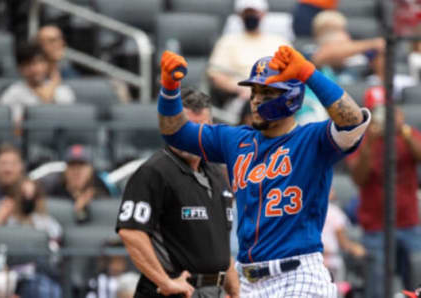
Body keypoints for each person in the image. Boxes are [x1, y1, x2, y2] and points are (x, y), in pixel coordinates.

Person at [157, 45, 371, 297]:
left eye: (268, 92)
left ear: (291, 97)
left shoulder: (313, 139)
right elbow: (175, 132)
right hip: (249, 281)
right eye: (254, 91)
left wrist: (307, 72)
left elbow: (353, 121)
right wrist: (169, 90)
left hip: (298, 275)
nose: (256, 99)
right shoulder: (235, 140)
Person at [116, 88, 240, 298]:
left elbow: (219, 247)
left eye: (198, 129)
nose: (190, 137)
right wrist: (164, 281)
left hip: (212, 291)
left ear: (210, 128)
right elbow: (131, 232)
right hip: (171, 291)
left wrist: (235, 291)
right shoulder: (154, 171)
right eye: (185, 128)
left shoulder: (217, 174)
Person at [346, 86, 421, 298]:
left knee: (415, 286)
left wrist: (402, 130)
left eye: (385, 111)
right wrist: (370, 139)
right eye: (376, 112)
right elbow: (358, 178)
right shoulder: (361, 141)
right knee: (376, 288)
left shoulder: (406, 134)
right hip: (375, 225)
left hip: (409, 222)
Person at [207, 0, 290, 115]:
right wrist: (241, 89)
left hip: (276, 92)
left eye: (254, 13)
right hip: (241, 97)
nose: (251, 16)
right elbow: (216, 75)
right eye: (247, 13)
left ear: (263, 14)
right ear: (239, 15)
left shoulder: (279, 41)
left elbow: (292, 71)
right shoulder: (227, 41)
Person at [0, 41, 75, 126]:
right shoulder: (12, 94)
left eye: (38, 62)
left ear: (46, 64)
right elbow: (12, 130)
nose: (34, 69)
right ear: (19, 68)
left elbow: (70, 125)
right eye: (27, 64)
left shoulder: (62, 91)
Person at [39, 144, 111, 223]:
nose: (76, 171)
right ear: (65, 170)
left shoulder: (100, 186)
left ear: (90, 169)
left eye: (81, 165)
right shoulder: (54, 188)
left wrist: (93, 195)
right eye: (72, 165)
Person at [321, 188, 365, 283]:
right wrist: (354, 248)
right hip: (330, 261)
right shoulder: (334, 212)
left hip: (316, 261)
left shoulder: (305, 210)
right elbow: (343, 242)